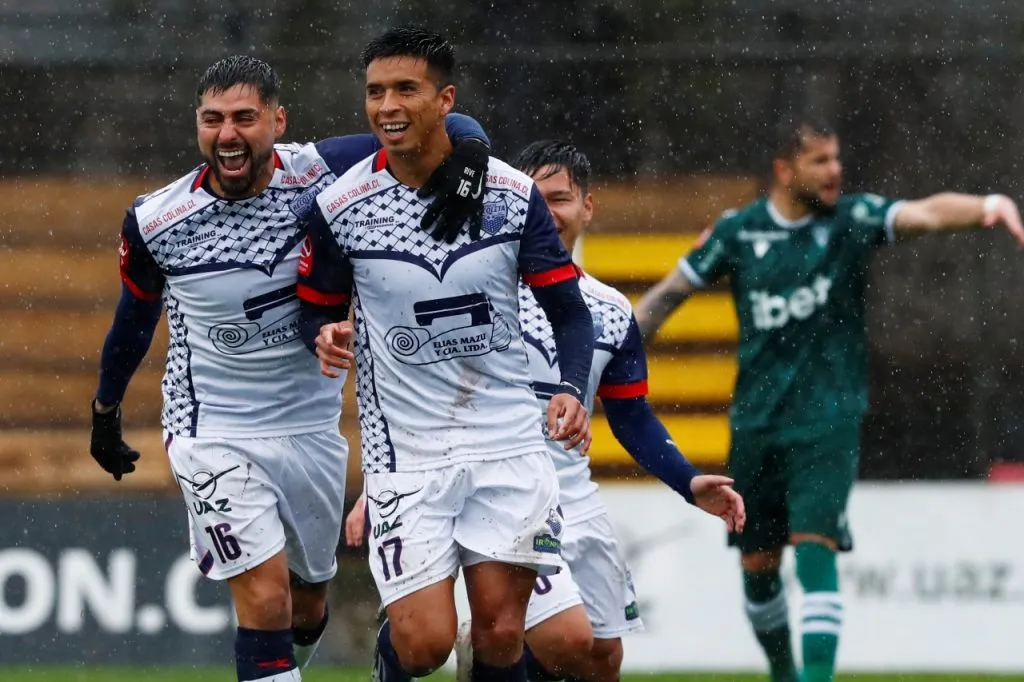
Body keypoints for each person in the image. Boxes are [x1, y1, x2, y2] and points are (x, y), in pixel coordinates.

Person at [88, 54, 491, 682]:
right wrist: (106, 410)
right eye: (212, 119)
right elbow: (133, 321)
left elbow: (444, 123)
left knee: (305, 607)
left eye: (245, 118)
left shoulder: (323, 171)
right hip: (212, 429)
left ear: (278, 120)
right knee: (266, 600)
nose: (228, 134)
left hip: (310, 428)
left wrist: (471, 155)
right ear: (197, 126)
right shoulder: (156, 221)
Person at [634, 118, 1024, 682]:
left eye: (837, 158)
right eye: (820, 161)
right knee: (758, 567)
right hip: (755, 422)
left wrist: (988, 204)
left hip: (827, 419)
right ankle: (784, 674)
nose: (835, 170)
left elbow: (926, 212)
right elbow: (667, 296)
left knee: (815, 548)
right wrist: (607, 356)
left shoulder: (851, 221)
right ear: (785, 170)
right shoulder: (737, 233)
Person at [344, 140, 746, 682]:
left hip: (575, 498)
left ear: (587, 207)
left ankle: (484, 653)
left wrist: (687, 480)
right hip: (502, 483)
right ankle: (451, 651)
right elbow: (425, 397)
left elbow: (630, 416)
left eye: (560, 198)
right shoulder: (480, 289)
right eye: (535, 196)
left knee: (600, 658)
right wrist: (380, 486)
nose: (548, 211)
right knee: (557, 637)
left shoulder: (607, 310)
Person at [295, 27, 595, 682]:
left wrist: (571, 387)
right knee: (426, 645)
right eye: (375, 92)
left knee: (501, 630)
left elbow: (570, 311)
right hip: (408, 453)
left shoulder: (513, 196)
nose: (387, 106)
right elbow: (315, 305)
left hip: (506, 442)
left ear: (444, 98)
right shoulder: (340, 205)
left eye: (406, 89)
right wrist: (323, 330)